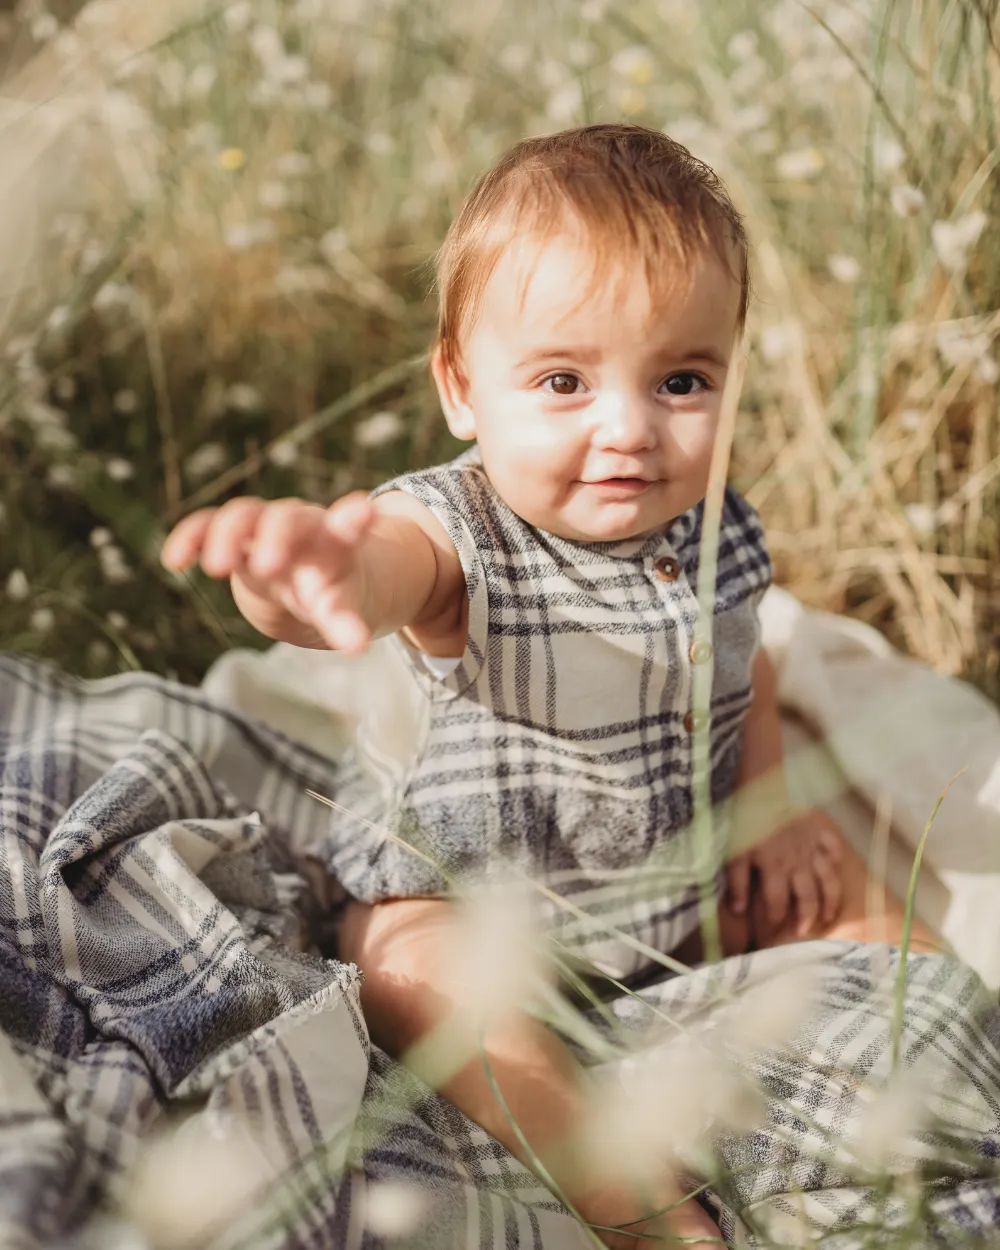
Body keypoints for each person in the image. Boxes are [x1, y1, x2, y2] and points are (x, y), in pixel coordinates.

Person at [162, 124, 940, 1247]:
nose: (627, 429)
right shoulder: (458, 532)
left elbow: (744, 660)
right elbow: (380, 568)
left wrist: (780, 804)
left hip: (672, 872)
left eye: (681, 378)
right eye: (563, 380)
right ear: (461, 389)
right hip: (476, 904)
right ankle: (637, 1201)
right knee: (411, 971)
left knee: (865, 897)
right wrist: (305, 576)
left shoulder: (715, 526)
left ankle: (932, 1068)